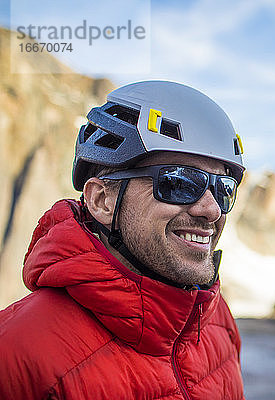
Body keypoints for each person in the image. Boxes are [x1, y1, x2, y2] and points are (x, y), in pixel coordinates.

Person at [0, 81, 246, 399]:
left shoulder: (215, 320)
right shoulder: (17, 351)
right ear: (102, 201)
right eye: (179, 183)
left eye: (223, 188)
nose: (211, 209)